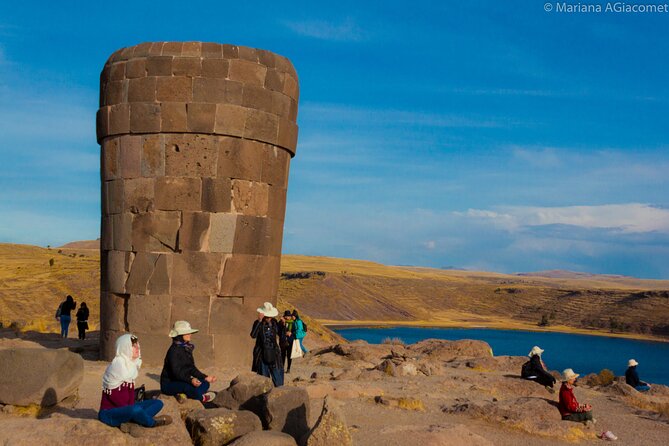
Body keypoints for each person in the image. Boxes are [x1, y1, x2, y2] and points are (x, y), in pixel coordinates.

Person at [98, 334, 172, 434]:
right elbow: (116, 399)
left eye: (137, 345)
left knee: (158, 403)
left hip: (128, 408)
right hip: (109, 413)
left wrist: (133, 408)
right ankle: (152, 422)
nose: (137, 348)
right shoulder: (117, 366)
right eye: (133, 346)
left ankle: (133, 421)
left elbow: (130, 396)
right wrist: (132, 410)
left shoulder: (131, 366)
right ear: (125, 347)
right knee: (135, 410)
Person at [160, 321, 217, 403]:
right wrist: (190, 380)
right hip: (170, 384)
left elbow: (191, 368)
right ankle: (202, 398)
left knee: (205, 383)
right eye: (187, 333)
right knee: (187, 387)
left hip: (182, 379)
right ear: (180, 335)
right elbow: (176, 373)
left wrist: (205, 377)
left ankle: (185, 394)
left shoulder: (185, 348)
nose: (190, 335)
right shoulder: (173, 351)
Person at [250, 302, 284, 386]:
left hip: (274, 353)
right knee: (264, 380)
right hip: (262, 354)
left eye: (270, 317)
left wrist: (283, 326)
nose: (268, 318)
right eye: (267, 317)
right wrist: (259, 321)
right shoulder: (258, 323)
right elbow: (253, 335)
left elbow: (281, 335)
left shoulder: (275, 323)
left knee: (278, 379)